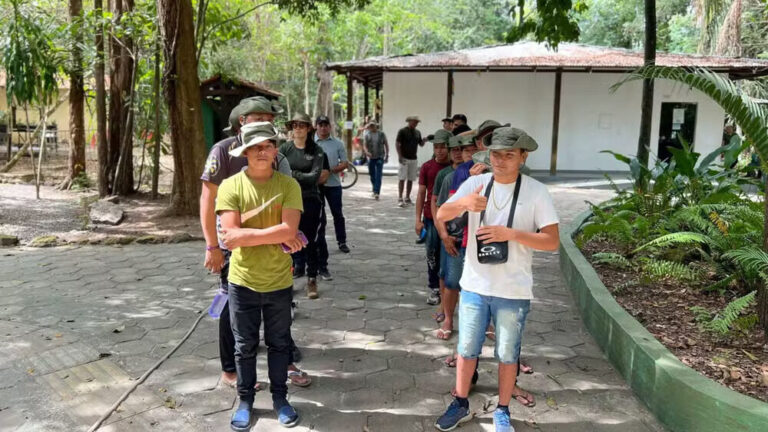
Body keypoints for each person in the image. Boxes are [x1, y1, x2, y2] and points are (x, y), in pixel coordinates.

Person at [434, 127, 559, 432]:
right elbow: (441, 214)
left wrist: (512, 234)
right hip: (475, 286)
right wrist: (464, 204)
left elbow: (552, 241)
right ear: (487, 155)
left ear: (522, 157)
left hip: (513, 289)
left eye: (509, 154)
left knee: (507, 353)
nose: (501, 160)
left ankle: (502, 409)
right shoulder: (476, 183)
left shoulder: (536, 191)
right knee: (466, 349)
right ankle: (460, 402)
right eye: (496, 154)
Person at [200, 98, 310, 391]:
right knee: (231, 307)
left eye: (269, 118)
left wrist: (290, 234)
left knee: (280, 309)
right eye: (257, 117)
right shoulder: (222, 151)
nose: (266, 122)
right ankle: (231, 372)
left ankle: (285, 362)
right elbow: (208, 199)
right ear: (241, 122)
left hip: (275, 249)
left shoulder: (278, 154)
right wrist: (213, 246)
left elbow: (286, 199)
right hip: (233, 248)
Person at [216, 122, 304, 430]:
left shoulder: (288, 186)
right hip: (242, 282)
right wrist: (275, 233)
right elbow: (230, 239)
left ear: (275, 149)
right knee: (245, 345)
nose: (261, 151)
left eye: (267, 145)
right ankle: (245, 401)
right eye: (255, 147)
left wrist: (247, 234)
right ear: (245, 152)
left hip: (279, 281)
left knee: (280, 344)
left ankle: (280, 398)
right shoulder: (230, 186)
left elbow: (289, 230)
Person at [280, 113, 327, 299]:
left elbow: (314, 178)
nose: (297, 128)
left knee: (310, 241)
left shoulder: (317, 150)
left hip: (310, 200)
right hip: (287, 202)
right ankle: (287, 279)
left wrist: (291, 174)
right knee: (287, 239)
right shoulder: (284, 148)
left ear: (309, 128)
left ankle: (312, 279)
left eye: (301, 125)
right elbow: (278, 174)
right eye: (294, 125)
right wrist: (297, 175)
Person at [432, 134, 470, 337]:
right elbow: (439, 210)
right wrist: (444, 235)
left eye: (474, 150)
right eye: (465, 150)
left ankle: (484, 324)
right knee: (452, 282)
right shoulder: (449, 178)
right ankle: (448, 319)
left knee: (480, 286)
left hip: (477, 240)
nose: (469, 154)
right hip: (455, 239)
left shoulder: (489, 177)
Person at [416, 130, 452, 306]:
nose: (440, 151)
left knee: (448, 253)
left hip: (452, 219)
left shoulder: (455, 168)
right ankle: (434, 288)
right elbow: (421, 193)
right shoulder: (427, 167)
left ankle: (449, 288)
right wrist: (418, 219)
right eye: (436, 147)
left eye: (443, 147)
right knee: (432, 253)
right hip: (430, 217)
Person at [314, 115, 351, 284]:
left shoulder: (337, 144)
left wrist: (330, 171)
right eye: (320, 125)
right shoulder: (310, 143)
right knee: (318, 218)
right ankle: (317, 247)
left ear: (330, 127)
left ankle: (341, 241)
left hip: (334, 184)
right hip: (315, 186)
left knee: (338, 214)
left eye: (325, 125)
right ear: (316, 127)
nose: (323, 128)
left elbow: (345, 163)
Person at [396, 115, 425, 207]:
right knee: (402, 178)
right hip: (404, 157)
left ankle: (407, 197)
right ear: (409, 121)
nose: (415, 123)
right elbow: (397, 143)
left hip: (413, 158)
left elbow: (421, 144)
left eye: (417, 122)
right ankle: (400, 197)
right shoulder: (402, 131)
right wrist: (400, 156)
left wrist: (425, 140)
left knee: (411, 178)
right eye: (414, 121)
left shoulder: (417, 132)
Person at [363, 121, 389, 200]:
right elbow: (364, 145)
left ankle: (377, 192)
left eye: (373, 126)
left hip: (380, 156)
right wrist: (366, 152)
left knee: (378, 174)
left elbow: (386, 144)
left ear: (375, 126)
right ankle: (375, 188)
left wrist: (387, 155)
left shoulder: (381, 134)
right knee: (372, 174)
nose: (372, 127)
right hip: (371, 157)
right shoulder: (367, 135)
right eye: (370, 126)